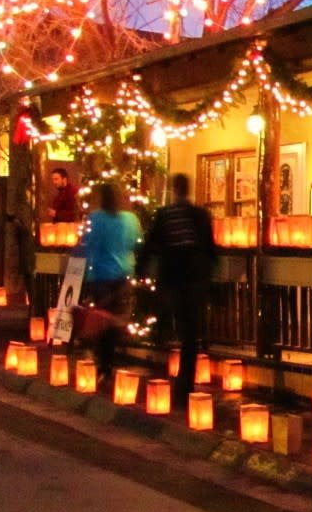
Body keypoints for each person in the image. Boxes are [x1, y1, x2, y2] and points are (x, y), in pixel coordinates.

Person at [137, 173, 217, 409]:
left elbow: (151, 244)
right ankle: (185, 386)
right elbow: (210, 248)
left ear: (174, 189)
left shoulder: (165, 215)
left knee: (174, 327)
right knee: (189, 334)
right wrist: (209, 276)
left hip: (173, 280)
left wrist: (141, 268)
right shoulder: (200, 215)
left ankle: (174, 380)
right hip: (193, 281)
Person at [82, 182, 141, 384]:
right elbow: (136, 242)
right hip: (123, 274)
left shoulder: (95, 218)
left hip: (99, 275)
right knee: (118, 317)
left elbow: (87, 244)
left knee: (103, 319)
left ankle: (104, 363)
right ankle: (110, 358)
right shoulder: (131, 220)